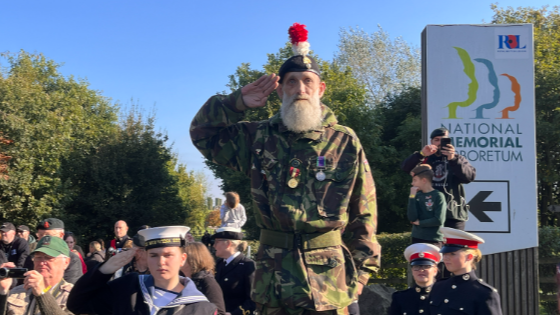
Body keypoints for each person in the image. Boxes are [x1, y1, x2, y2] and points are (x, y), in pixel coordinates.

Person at [190, 23, 380, 314]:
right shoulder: (257, 137)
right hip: (272, 280)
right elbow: (202, 134)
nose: (300, 89)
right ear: (280, 90)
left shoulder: (344, 141)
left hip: (329, 281)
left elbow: (363, 211)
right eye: (291, 81)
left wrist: (361, 274)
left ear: (321, 88)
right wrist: (235, 104)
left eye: (307, 81)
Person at [67, 226, 217, 315]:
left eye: (168, 255)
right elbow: (77, 304)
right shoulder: (129, 288)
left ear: (183, 259)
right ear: (145, 256)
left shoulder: (202, 308)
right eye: (153, 255)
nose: (161, 261)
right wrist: (104, 270)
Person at [401, 127, 476, 231]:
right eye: (436, 140)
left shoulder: (458, 159)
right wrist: (421, 154)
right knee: (430, 247)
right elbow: (405, 168)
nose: (440, 143)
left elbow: (469, 177)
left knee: (454, 247)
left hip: (452, 213)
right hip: (428, 213)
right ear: (431, 142)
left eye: (443, 140)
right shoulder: (425, 159)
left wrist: (453, 159)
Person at [429, 227, 503, 314]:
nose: (446, 257)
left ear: (469, 257)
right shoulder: (438, 287)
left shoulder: (484, 293)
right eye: (445, 253)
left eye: (452, 254)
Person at [0, 235, 73, 315]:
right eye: (38, 257)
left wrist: (42, 293)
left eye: (49, 257)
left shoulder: (74, 295)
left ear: (66, 262)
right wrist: (2, 292)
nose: (42, 263)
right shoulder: (18, 292)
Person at [25, 218, 83, 284]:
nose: (44, 239)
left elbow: (70, 289)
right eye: (40, 235)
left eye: (48, 235)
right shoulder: (31, 257)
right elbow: (23, 283)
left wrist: (42, 290)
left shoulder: (72, 259)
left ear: (61, 235)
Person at [388, 243, 441, 315]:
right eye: (416, 267)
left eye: (426, 266)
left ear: (435, 271)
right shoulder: (400, 297)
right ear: (412, 271)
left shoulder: (443, 296)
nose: (421, 270)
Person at [212, 228, 254, 315]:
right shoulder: (219, 263)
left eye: (217, 242)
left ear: (228, 243)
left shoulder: (247, 265)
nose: (214, 246)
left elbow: (253, 300)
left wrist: (233, 314)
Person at [182, 242, 226, 315]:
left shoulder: (207, 281)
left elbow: (219, 312)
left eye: (183, 257)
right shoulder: (182, 279)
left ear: (193, 259)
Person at [407, 164, 446, 247]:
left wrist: (420, 223)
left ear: (424, 180)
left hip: (434, 239)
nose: (412, 183)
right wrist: (412, 197)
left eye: (415, 180)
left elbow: (439, 220)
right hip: (417, 237)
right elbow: (412, 218)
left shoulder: (438, 195)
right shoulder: (417, 196)